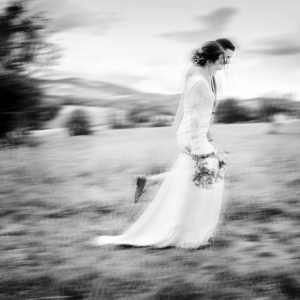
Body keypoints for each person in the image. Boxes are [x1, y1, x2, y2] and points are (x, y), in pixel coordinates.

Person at [93, 41, 227, 249]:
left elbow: (198, 113)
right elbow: (192, 115)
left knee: (195, 181)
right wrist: (196, 144)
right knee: (206, 178)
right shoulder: (199, 81)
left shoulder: (202, 77)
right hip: (193, 136)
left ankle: (188, 230)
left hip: (196, 135)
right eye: (220, 61)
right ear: (210, 60)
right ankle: (188, 234)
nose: (222, 65)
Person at [134, 38, 235, 203]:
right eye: (226, 57)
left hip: (199, 131)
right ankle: (177, 206)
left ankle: (149, 182)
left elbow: (209, 106)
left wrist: (208, 129)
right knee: (199, 173)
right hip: (192, 131)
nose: (227, 62)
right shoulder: (199, 72)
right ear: (218, 53)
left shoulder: (210, 73)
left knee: (193, 172)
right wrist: (178, 125)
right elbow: (188, 101)